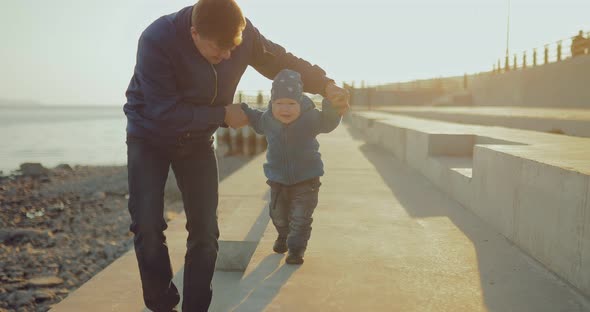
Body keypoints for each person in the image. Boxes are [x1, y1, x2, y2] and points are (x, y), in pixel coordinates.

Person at [123, 0, 349, 311]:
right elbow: (163, 112)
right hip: (149, 135)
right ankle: (162, 305)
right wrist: (221, 114)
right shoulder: (156, 40)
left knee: (204, 231)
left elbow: (281, 61)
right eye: (218, 50)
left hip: (197, 140)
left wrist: (325, 84)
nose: (228, 57)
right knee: (147, 226)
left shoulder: (242, 34)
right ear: (194, 33)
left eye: (234, 48)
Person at [241, 69, 342, 265]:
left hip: (307, 179)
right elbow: (255, 119)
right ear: (272, 103)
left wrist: (331, 103)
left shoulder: (311, 118)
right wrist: (244, 109)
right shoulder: (268, 119)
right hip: (277, 180)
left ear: (300, 102)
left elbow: (329, 122)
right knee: (277, 214)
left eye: (291, 104)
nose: (285, 109)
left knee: (301, 217)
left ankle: (296, 250)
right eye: (279, 103)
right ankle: (283, 235)